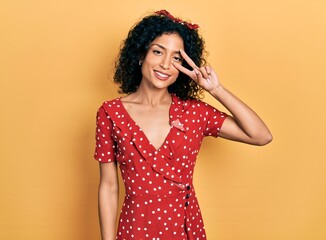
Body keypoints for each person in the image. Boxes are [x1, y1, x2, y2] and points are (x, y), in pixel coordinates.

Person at [94, 10, 272, 240]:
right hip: (135, 230)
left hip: (185, 230)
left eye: (176, 58)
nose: (166, 64)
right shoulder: (110, 113)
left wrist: (215, 90)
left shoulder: (195, 113)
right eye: (158, 52)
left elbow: (261, 135)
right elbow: (108, 188)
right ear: (141, 55)